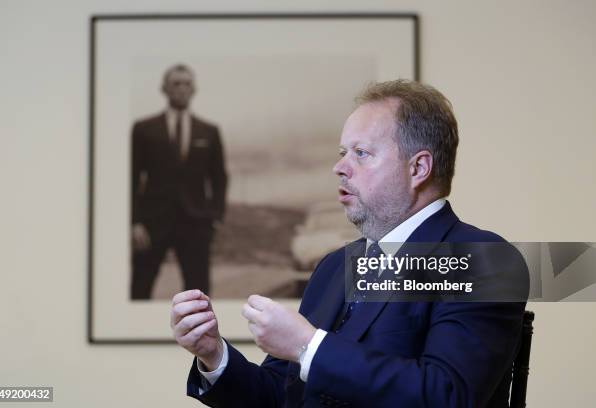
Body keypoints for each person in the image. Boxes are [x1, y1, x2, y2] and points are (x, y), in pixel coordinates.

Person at [170, 80, 527, 407]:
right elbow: (279, 396)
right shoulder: (333, 267)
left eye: (361, 153)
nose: (339, 167)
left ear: (418, 169)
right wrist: (214, 356)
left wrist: (309, 346)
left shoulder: (484, 260)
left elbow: (446, 396)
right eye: (343, 152)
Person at [131, 64, 227, 300]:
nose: (181, 89)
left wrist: (214, 218)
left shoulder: (209, 131)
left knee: (199, 296)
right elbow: (132, 178)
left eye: (186, 84)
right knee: (140, 287)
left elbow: (219, 177)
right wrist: (134, 222)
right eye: (176, 84)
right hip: (152, 223)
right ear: (164, 88)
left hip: (196, 224)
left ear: (194, 89)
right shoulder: (143, 129)